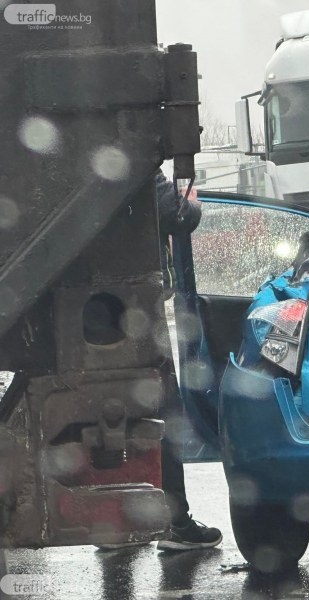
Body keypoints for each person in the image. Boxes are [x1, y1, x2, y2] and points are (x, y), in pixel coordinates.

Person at [97, 170, 222, 551]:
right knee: (163, 414)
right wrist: (193, 201)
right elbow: (178, 215)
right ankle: (175, 524)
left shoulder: (75, 161)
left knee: (108, 414)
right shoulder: (136, 162)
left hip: (92, 312)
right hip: (138, 310)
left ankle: (114, 525)